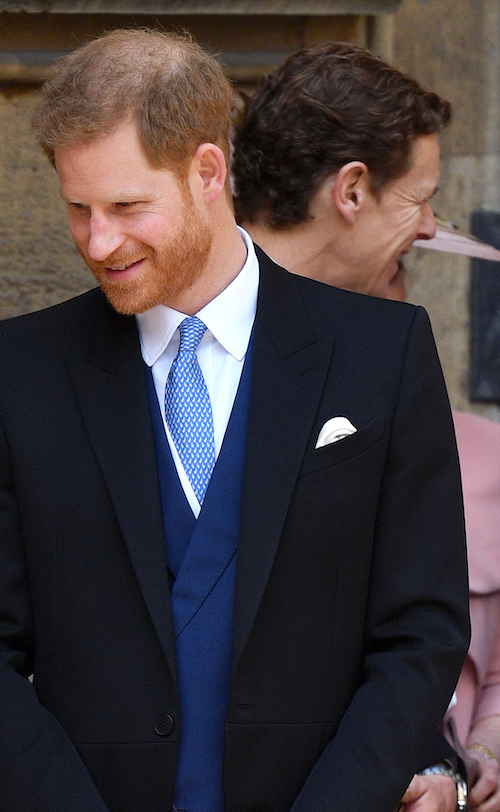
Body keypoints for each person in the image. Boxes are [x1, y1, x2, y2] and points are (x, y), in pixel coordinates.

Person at [0, 29, 470, 812]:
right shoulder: (13, 372)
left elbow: (421, 633)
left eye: (126, 206)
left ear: (208, 171)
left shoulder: (382, 355)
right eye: (78, 210)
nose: (99, 241)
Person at [234, 41, 500, 812]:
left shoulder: (386, 354)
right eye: (419, 199)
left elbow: (411, 632)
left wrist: (439, 769)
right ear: (351, 191)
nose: (428, 229)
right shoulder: (180, 338)